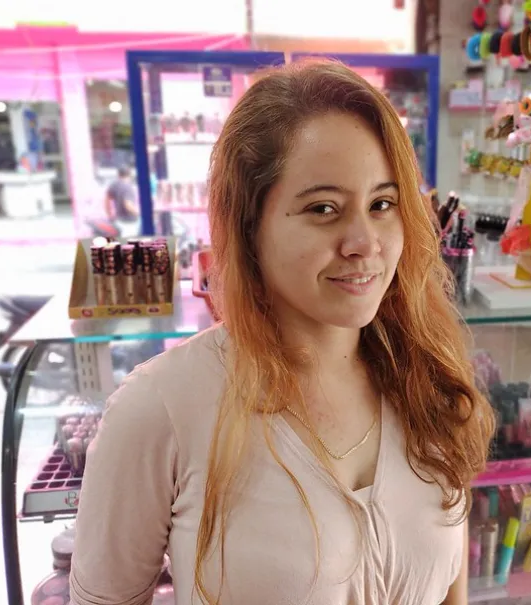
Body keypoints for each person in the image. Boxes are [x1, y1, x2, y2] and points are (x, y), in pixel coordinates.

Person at [70, 60, 495, 605]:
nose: (365, 241)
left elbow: (450, 590)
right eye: (324, 209)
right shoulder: (163, 408)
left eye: (383, 204)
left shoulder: (426, 376)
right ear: (250, 226)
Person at [105, 166, 141, 237]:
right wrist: (139, 214)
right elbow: (128, 205)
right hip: (129, 223)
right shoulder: (128, 187)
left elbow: (106, 202)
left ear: (118, 174)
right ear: (130, 175)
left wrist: (110, 215)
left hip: (119, 220)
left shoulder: (113, 185)